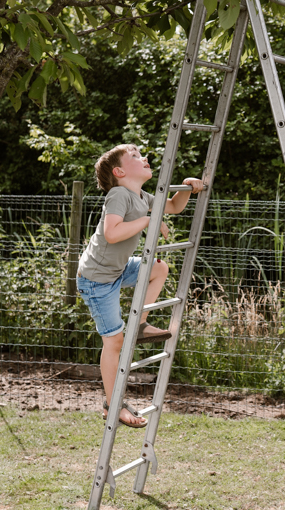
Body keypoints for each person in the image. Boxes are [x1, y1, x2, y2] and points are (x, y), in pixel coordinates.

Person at [77, 144, 204, 426]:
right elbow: (111, 233)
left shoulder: (141, 195)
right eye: (135, 156)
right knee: (115, 341)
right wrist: (149, 220)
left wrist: (186, 188)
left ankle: (142, 323)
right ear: (119, 172)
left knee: (158, 268)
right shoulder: (119, 194)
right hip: (97, 280)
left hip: (117, 270)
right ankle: (113, 405)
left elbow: (171, 206)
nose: (144, 157)